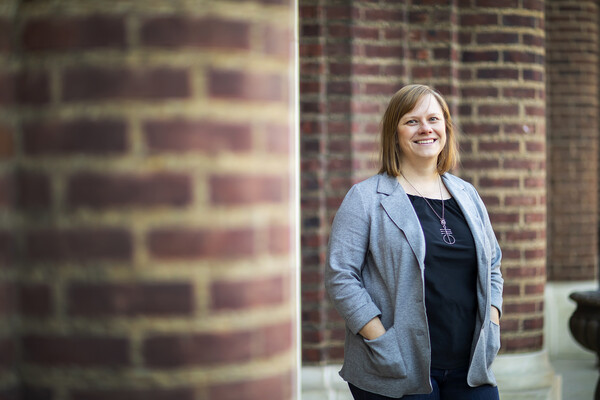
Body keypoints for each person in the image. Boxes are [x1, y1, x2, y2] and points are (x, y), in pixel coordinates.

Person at [325, 84, 503, 400]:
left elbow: (493, 266)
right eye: (412, 121)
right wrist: (381, 341)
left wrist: (492, 323)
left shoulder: (467, 195)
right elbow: (341, 277)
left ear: (445, 129)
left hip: (470, 368)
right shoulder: (366, 198)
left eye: (433, 119)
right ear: (395, 133)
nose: (425, 129)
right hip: (397, 367)